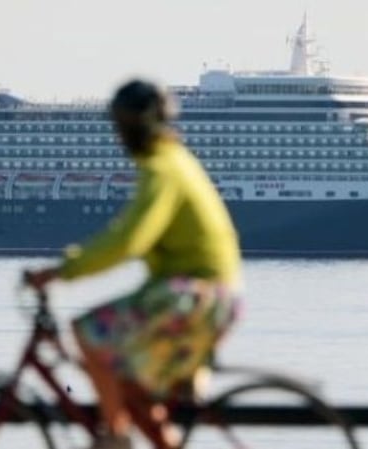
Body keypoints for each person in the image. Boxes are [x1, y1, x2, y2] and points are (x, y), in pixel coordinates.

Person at [24, 79, 241, 449]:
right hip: (209, 295)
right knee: (128, 382)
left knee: (88, 331)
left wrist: (63, 271)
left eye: (121, 125)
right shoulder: (173, 160)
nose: (119, 135)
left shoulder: (162, 169)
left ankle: (117, 438)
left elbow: (129, 240)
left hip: (194, 295)